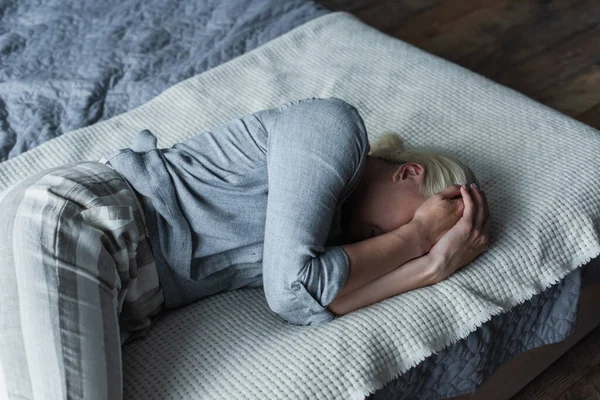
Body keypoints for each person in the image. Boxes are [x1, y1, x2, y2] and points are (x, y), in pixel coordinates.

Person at [0, 97, 490, 399]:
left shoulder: (325, 243)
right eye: (419, 216)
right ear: (409, 173)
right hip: (82, 222)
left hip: (110, 280)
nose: (383, 247)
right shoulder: (332, 126)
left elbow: (316, 300)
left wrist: (431, 266)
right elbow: (294, 290)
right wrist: (420, 240)